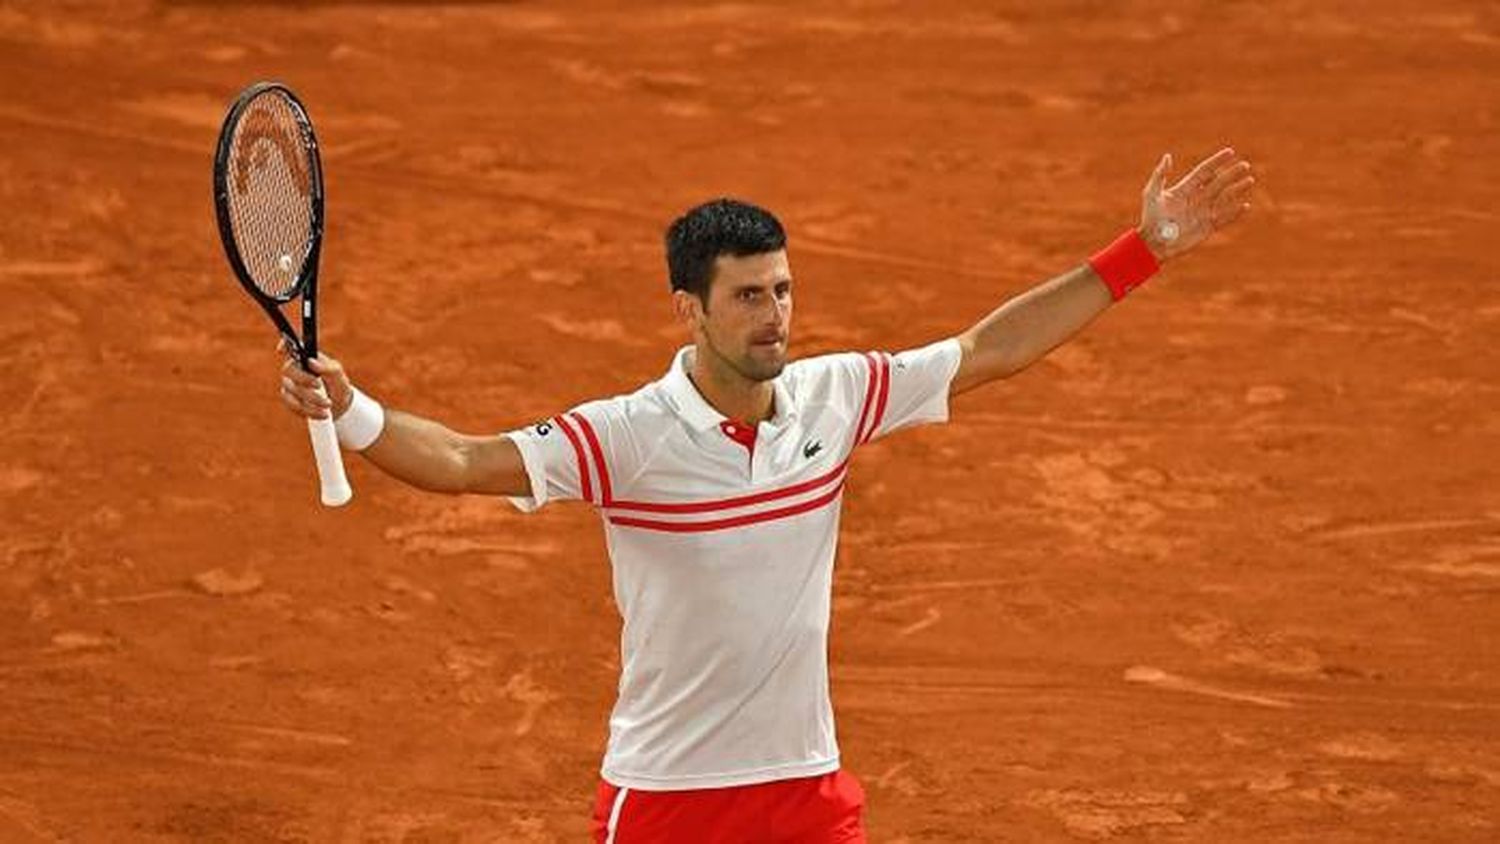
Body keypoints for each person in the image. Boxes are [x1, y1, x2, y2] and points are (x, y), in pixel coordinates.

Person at [278, 148, 1255, 843]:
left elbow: (987, 349)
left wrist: (1145, 252)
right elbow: (460, 459)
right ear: (689, 309)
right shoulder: (630, 437)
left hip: (804, 794)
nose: (775, 316)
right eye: (749, 297)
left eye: (782, 291)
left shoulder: (838, 395)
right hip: (667, 801)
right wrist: (356, 408)